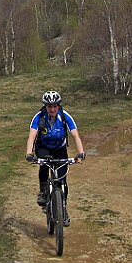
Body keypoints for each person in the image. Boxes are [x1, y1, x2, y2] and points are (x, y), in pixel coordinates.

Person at [25, 90, 85, 225]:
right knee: (44, 163)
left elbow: (75, 135)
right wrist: (29, 153)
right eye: (49, 106)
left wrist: (81, 153)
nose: (52, 109)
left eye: (54, 106)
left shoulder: (64, 116)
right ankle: (43, 191)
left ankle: (63, 208)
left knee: (63, 180)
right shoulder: (39, 117)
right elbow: (32, 136)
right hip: (43, 147)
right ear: (45, 107)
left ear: (58, 106)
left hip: (60, 148)